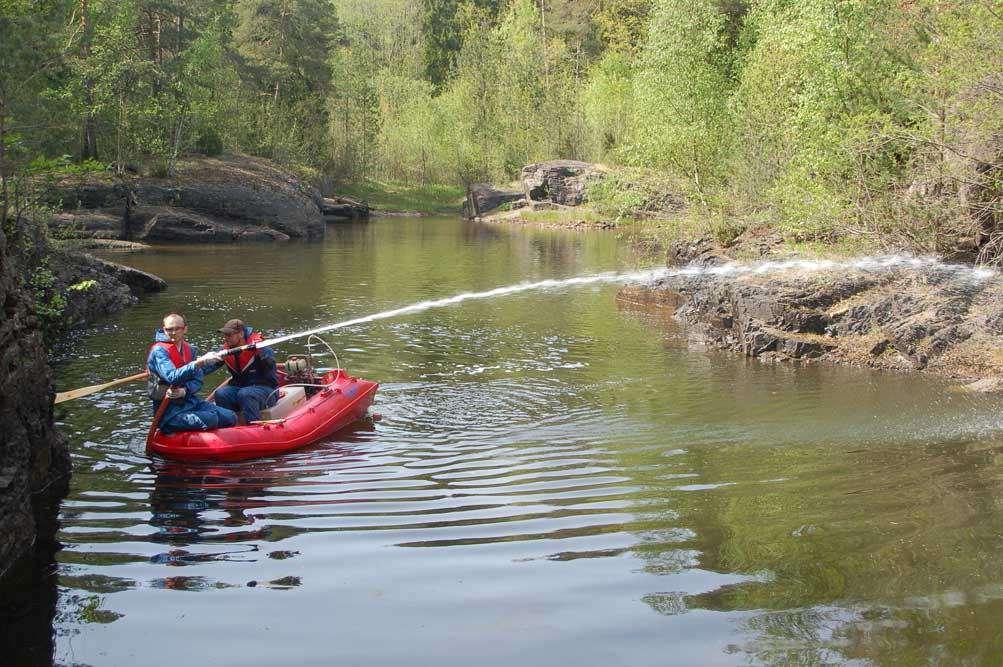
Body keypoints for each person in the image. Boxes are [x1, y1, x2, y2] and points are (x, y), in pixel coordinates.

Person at [148, 313, 237, 434]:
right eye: (169, 329)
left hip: (189, 402)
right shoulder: (159, 351)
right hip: (169, 412)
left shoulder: (189, 349)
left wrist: (185, 391)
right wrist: (198, 363)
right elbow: (171, 377)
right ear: (164, 329)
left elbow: (197, 379)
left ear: (185, 329)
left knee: (230, 417)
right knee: (211, 419)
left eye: (177, 328)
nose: (173, 332)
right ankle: (171, 429)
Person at [204, 319, 279, 424]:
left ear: (241, 334)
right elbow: (206, 369)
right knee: (221, 394)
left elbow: (271, 370)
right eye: (225, 335)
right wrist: (199, 366)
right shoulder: (226, 350)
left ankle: (253, 427)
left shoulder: (260, 347)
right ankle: (228, 425)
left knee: (246, 394)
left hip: (266, 389)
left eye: (229, 335)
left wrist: (262, 354)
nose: (226, 338)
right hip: (241, 388)